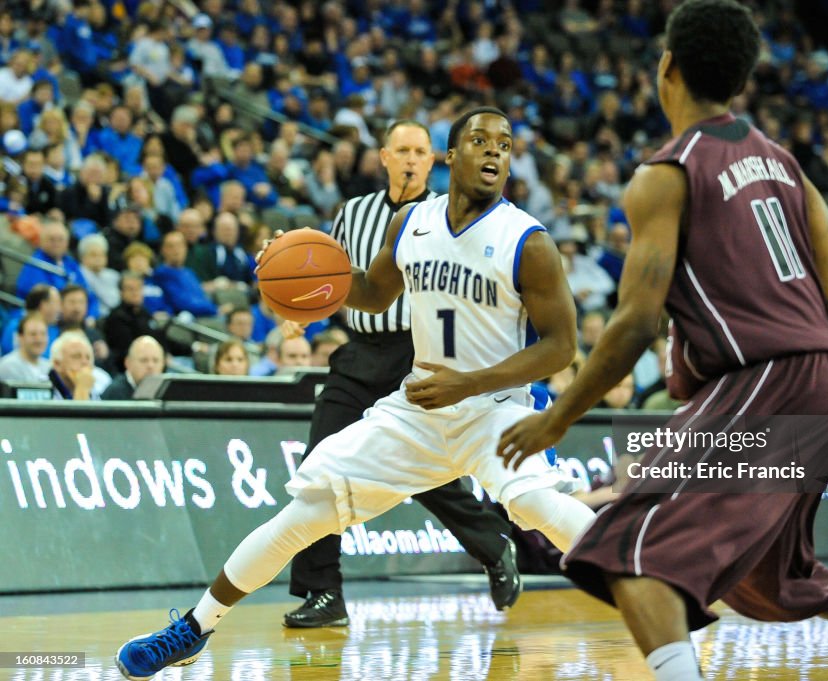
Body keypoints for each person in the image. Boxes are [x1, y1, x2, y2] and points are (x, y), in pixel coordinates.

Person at [497, 4, 828, 681]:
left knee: (629, 548)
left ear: (667, 67)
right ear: (741, 82)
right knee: (770, 571)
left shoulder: (666, 174)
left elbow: (634, 323)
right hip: (826, 379)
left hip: (764, 379)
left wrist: (558, 414)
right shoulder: (783, 163)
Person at [116, 107, 595, 678]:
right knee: (304, 514)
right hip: (419, 408)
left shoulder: (527, 240)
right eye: (479, 140)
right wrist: (300, 274)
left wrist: (469, 383)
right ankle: (195, 628)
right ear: (451, 155)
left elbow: (561, 347)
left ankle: (663, 576)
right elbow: (370, 292)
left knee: (535, 506)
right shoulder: (412, 223)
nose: (494, 151)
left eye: (505, 144)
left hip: (492, 408)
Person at [280, 119, 522, 630]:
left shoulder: (445, 215)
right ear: (384, 157)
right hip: (358, 350)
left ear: (433, 161)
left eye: (420, 151)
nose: (412, 159)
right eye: (402, 150)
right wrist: (296, 300)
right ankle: (324, 593)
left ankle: (494, 544)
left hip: (419, 351)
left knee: (429, 477)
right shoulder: (353, 212)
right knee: (321, 463)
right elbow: (333, 277)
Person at [101, 335, 165, 400]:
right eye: (144, 360)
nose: (150, 366)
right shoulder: (114, 393)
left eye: (156, 360)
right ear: (128, 363)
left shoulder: (166, 391)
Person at [0, 313, 51, 382]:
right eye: (33, 334)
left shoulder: (49, 367)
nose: (39, 339)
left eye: (43, 334)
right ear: (20, 337)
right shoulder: (7, 366)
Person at [49, 330, 97, 400]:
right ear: (57, 364)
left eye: (88, 357)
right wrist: (82, 388)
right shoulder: (41, 388)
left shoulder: (91, 387)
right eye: (76, 356)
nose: (85, 362)